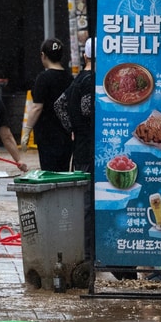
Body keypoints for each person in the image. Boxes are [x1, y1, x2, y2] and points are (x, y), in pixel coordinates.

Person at [55, 39, 97, 264]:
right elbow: (87, 108)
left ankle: (85, 251)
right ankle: (88, 256)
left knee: (84, 203)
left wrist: (72, 128)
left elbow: (59, 105)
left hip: (80, 148)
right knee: (89, 204)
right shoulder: (91, 81)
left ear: (85, 57)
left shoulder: (78, 79)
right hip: (91, 150)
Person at [27, 39, 74, 172]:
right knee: (63, 173)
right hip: (65, 135)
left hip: (47, 135)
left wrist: (26, 130)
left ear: (43, 55)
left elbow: (37, 107)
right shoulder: (69, 78)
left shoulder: (43, 78)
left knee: (49, 173)